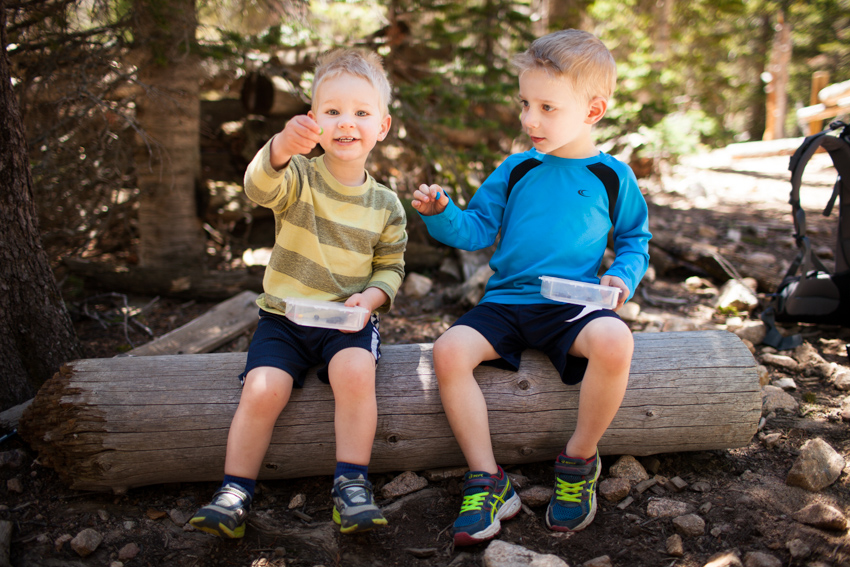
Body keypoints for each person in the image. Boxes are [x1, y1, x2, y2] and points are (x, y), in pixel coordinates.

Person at [411, 29, 651, 546]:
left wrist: (622, 276)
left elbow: (635, 239)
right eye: (525, 103)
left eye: (547, 107)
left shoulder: (613, 177)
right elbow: (475, 228)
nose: (529, 120)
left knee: (616, 342)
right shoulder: (517, 167)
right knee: (449, 351)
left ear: (593, 110)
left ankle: (580, 459)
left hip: (572, 304)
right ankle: (488, 479)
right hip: (508, 301)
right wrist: (442, 214)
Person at [189, 48, 407, 538]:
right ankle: (234, 491)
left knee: (355, 372)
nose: (346, 123)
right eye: (331, 112)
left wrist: (370, 300)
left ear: (383, 126)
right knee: (263, 387)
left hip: (346, 324)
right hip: (284, 318)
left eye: (360, 113)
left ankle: (351, 485)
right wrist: (281, 147)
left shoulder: (387, 205)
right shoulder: (299, 178)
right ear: (313, 121)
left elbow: (391, 269)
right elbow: (257, 188)